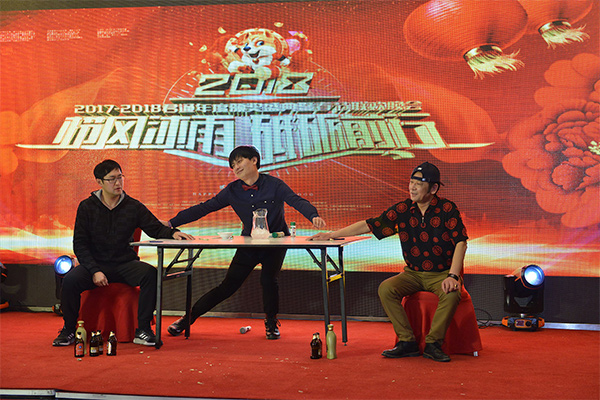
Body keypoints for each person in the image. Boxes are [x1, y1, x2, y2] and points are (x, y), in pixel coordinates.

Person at [310, 162, 467, 362]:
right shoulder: (403, 209)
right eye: (411, 183)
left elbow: (461, 242)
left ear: (434, 188)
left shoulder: (447, 209)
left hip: (441, 273)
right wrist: (331, 234)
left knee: (451, 294)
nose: (412, 188)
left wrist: (453, 276)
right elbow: (369, 225)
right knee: (386, 289)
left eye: (419, 184)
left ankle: (433, 344)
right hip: (413, 273)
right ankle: (407, 342)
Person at [166, 145, 326, 340]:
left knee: (268, 280)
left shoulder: (275, 184)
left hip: (275, 243)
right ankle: (188, 318)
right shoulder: (232, 190)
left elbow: (296, 200)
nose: (236, 167)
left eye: (240, 161)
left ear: (254, 160)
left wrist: (313, 215)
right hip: (249, 244)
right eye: (233, 165)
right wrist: (171, 223)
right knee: (228, 286)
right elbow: (204, 208)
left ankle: (271, 323)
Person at [52, 159, 193, 347]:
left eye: (120, 177)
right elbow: (80, 244)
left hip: (124, 264)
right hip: (95, 264)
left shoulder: (133, 206)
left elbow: (155, 228)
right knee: (70, 280)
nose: (118, 183)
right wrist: (94, 270)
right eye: (112, 179)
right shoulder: (87, 207)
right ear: (99, 182)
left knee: (150, 274)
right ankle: (69, 330)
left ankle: (143, 330)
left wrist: (173, 233)